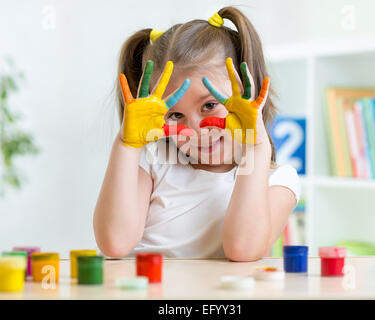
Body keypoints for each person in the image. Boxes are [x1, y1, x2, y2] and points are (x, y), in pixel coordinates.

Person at [93, 6, 301, 261]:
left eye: (210, 105)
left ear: (251, 90)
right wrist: (126, 144)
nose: (195, 130)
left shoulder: (278, 180)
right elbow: (114, 243)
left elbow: (242, 250)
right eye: (175, 115)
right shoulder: (155, 160)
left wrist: (256, 147)